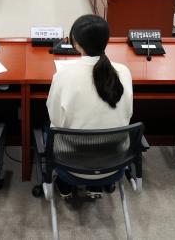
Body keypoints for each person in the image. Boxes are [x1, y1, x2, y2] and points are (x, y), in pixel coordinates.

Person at [46, 14, 133, 198]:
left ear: (76, 43)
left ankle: (66, 182)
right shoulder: (123, 72)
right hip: (114, 160)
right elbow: (128, 113)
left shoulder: (63, 75)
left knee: (49, 128)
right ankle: (96, 186)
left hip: (71, 162)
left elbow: (55, 119)